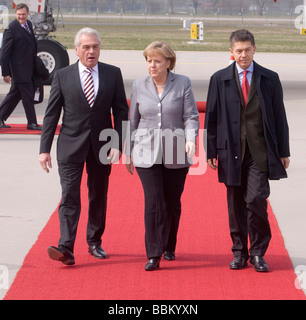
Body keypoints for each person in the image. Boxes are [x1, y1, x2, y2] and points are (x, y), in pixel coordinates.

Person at [39, 28, 128, 265]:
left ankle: (94, 241)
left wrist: (118, 142)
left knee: (98, 195)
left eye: (95, 47)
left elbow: (121, 111)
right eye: (86, 47)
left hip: (103, 146)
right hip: (70, 145)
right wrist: (44, 149)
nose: (91, 51)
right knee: (69, 196)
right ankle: (66, 246)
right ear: (76, 50)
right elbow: (51, 115)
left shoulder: (112, 74)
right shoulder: (63, 75)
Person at [204, 29, 290, 272]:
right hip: (230, 151)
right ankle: (239, 252)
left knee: (255, 199)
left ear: (255, 49)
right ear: (231, 52)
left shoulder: (269, 78)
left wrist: (283, 151)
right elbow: (211, 117)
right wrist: (211, 149)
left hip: (259, 152)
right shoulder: (219, 79)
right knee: (235, 204)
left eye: (247, 50)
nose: (243, 55)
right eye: (238, 51)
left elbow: (279, 117)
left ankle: (259, 253)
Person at [126, 41, 199, 271]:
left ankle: (169, 245)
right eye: (149, 60)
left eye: (157, 61)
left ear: (169, 62)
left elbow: (191, 116)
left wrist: (190, 139)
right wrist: (128, 151)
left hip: (176, 150)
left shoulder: (182, 83)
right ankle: (153, 253)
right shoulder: (139, 85)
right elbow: (133, 120)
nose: (152, 65)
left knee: (171, 203)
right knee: (154, 201)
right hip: (145, 152)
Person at [0, 3, 42, 130]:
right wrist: (5, 73)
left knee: (14, 95)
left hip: (28, 68)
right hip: (18, 70)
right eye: (19, 15)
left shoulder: (28, 24)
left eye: (23, 14)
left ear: (27, 14)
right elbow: (4, 54)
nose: (21, 17)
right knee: (28, 95)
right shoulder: (11, 29)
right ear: (15, 14)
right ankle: (32, 122)